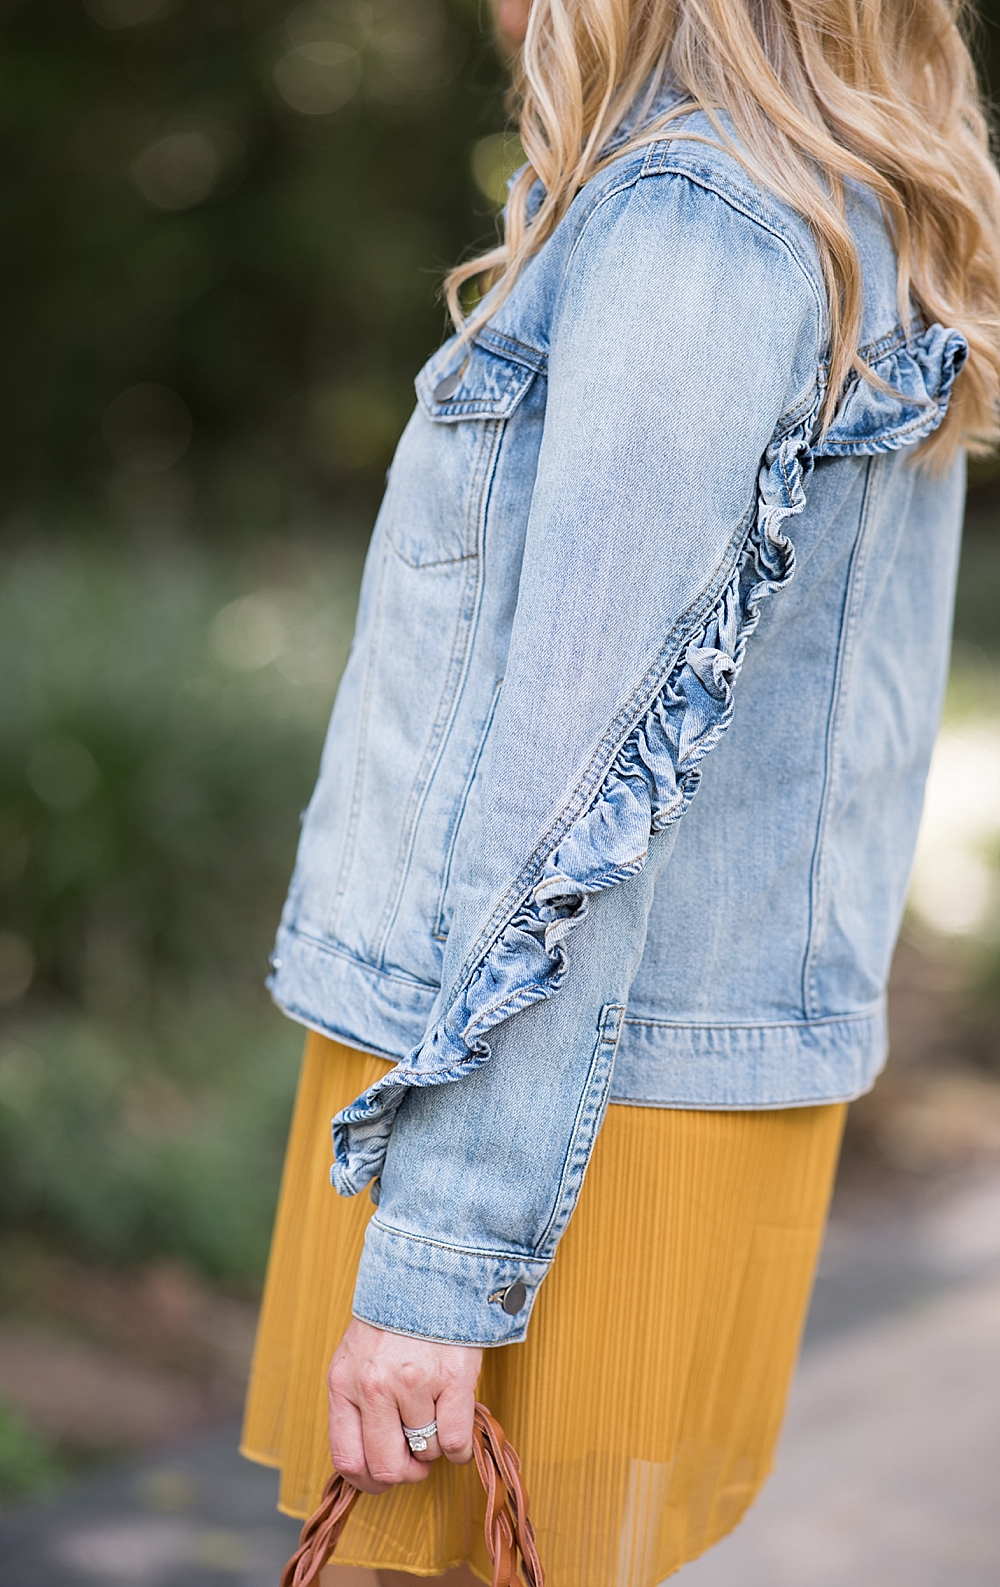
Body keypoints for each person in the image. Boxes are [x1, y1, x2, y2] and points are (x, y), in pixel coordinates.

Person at [241, 0, 1000, 1579]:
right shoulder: (840, 209)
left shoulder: (695, 227)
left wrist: (440, 1266)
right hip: (628, 1080)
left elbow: (574, 793)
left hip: (535, 1109)